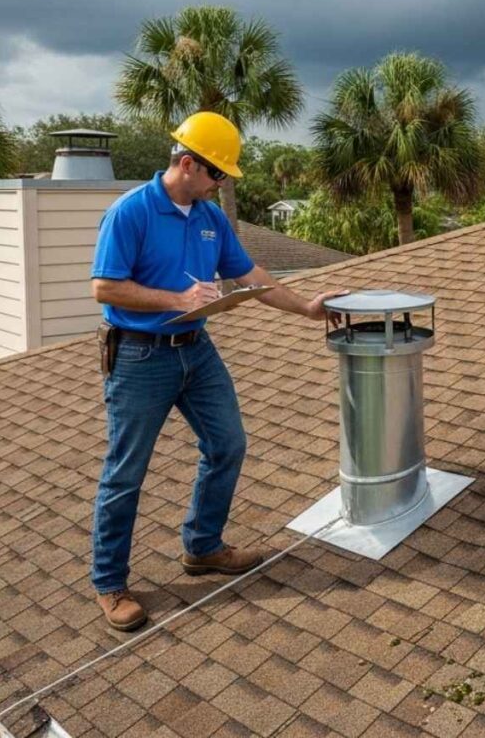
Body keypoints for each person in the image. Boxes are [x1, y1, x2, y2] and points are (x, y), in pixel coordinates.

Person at [89, 111, 343, 631]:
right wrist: (176, 298)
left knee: (228, 444)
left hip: (196, 350)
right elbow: (105, 287)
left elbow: (248, 274)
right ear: (188, 164)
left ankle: (202, 546)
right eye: (217, 173)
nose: (221, 183)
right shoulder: (130, 212)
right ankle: (110, 582)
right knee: (126, 473)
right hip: (140, 357)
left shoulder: (210, 218)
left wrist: (306, 308)